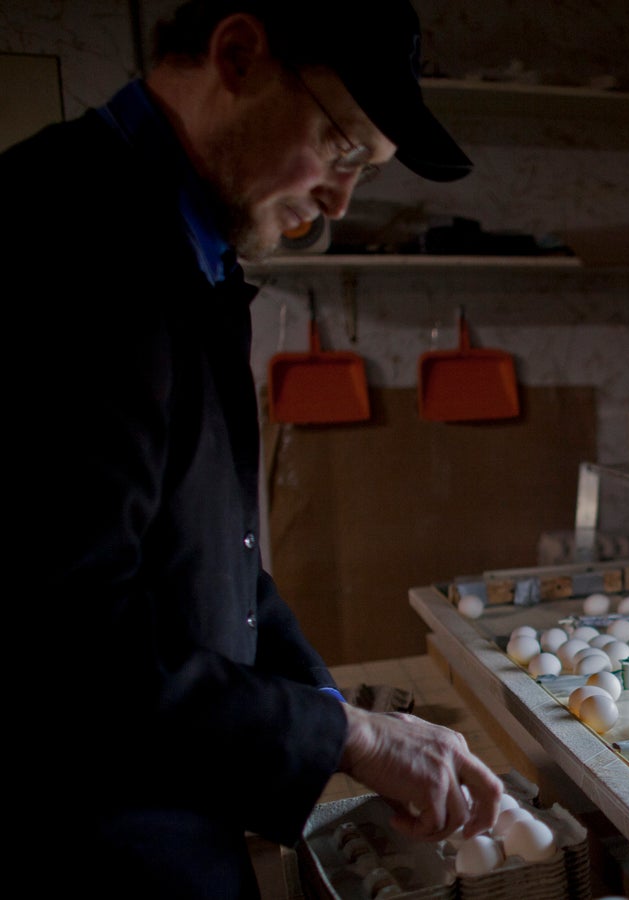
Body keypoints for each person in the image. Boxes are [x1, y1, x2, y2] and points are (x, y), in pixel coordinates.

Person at [4, 2, 502, 897]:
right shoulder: (61, 238)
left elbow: (214, 564)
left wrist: (337, 716)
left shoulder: (191, 249)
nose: (342, 200)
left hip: (167, 808)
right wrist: (344, 736)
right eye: (342, 148)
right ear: (237, 55)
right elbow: (63, 635)